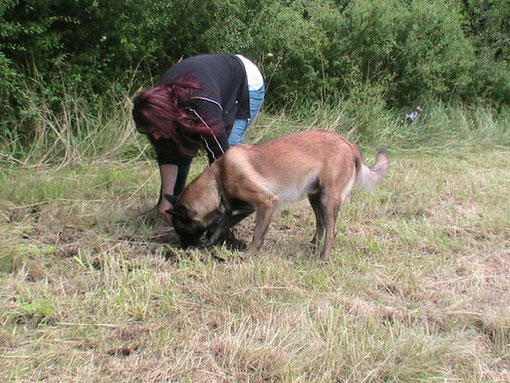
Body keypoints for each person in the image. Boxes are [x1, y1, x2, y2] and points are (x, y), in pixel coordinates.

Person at [132, 53, 265, 223]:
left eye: (157, 129)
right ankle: (173, 204)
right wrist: (167, 199)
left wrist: (208, 209)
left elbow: (221, 160)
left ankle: (227, 215)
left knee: (229, 153)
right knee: (179, 145)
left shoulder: (201, 106)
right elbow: (169, 153)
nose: (155, 136)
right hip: (207, 81)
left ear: (166, 117)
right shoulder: (156, 104)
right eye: (150, 133)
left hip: (244, 81)